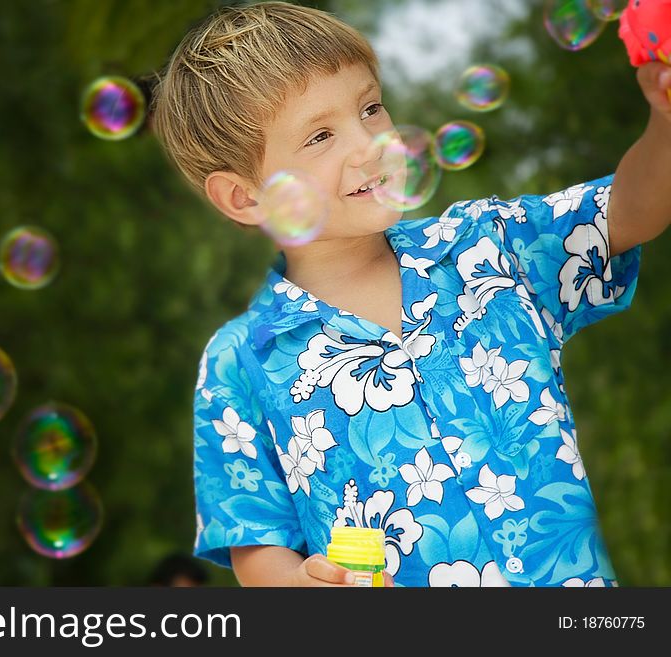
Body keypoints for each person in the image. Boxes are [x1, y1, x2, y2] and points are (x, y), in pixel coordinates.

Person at [149, 2, 671, 586]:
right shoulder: (240, 360)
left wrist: (665, 122)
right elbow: (255, 544)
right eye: (320, 135)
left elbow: (629, 211)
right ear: (245, 198)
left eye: (370, 107)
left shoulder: (483, 248)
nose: (371, 142)